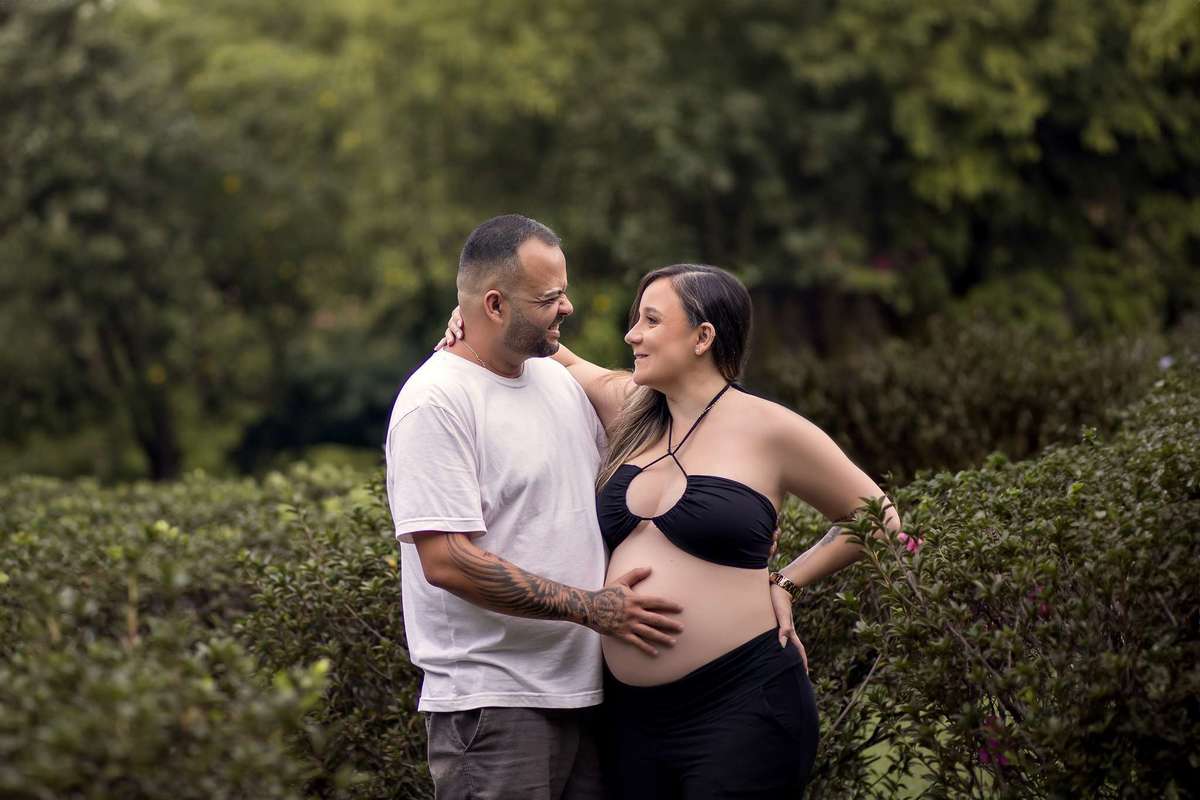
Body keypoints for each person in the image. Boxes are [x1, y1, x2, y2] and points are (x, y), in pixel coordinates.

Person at [440, 263, 901, 799]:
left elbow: (878, 518)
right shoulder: (630, 410)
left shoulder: (769, 429)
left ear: (703, 337)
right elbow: (549, 348)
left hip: (741, 703)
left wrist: (787, 582)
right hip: (630, 718)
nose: (632, 333)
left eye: (651, 320)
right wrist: (472, 318)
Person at [384, 214, 689, 800]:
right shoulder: (436, 402)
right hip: (495, 705)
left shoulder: (556, 379)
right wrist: (593, 609)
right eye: (550, 297)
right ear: (495, 305)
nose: (568, 306)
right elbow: (446, 561)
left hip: (585, 693)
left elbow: (677, 411)